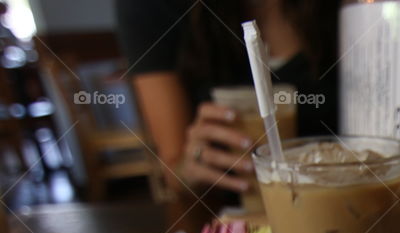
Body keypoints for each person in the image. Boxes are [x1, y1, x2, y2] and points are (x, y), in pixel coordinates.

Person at [116, 0, 339, 199]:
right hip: (238, 215)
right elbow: (175, 171)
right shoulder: (152, 7)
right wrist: (190, 166)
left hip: (347, 203)